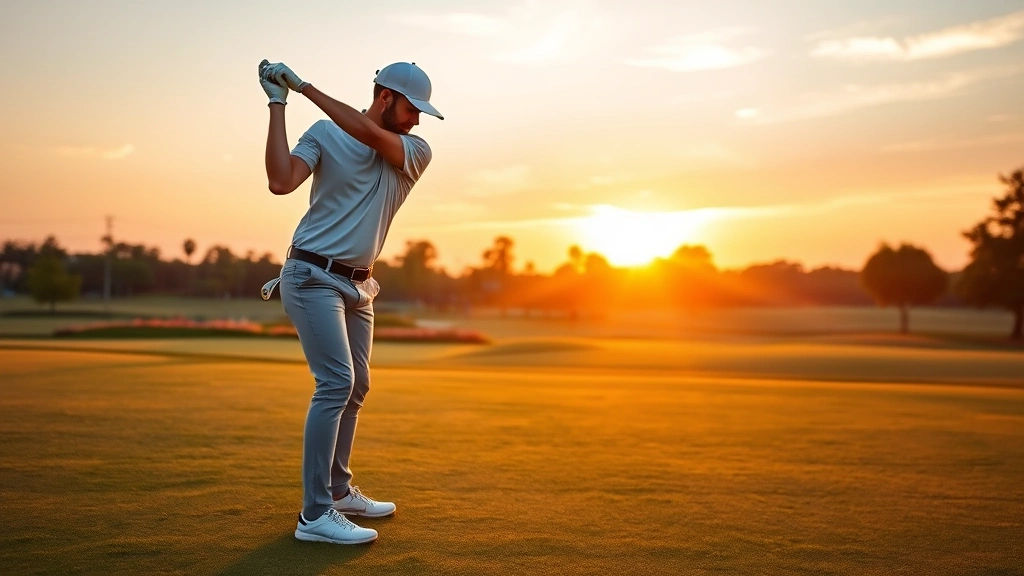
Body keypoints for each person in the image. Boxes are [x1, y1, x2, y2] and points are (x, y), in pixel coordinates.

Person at [258, 58, 443, 544]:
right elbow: (281, 181)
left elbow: (367, 133)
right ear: (386, 97)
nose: (417, 119)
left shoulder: (414, 150)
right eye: (411, 108)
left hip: (360, 287)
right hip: (310, 276)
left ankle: (338, 491)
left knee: (357, 385)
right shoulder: (323, 133)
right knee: (336, 381)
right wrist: (279, 104)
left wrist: (304, 87)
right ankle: (315, 514)